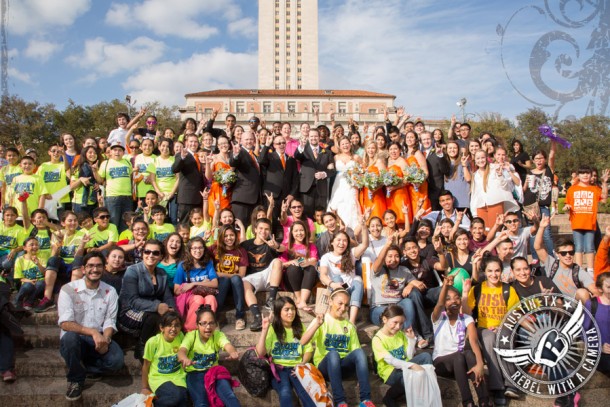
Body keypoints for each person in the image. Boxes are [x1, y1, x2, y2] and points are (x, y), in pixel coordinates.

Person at [57, 252, 124, 401]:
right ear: (83, 269)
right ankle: (75, 379)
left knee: (116, 362)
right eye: (90, 266)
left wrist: (105, 339)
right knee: (69, 339)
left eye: (99, 266)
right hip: (76, 338)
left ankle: (83, 365)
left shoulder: (110, 291)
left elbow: (110, 320)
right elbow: (65, 323)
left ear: (103, 268)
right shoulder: (68, 289)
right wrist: (93, 332)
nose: (95, 269)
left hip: (98, 338)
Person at [301, 289, 376, 407]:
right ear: (330, 302)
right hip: (326, 367)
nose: (343, 307)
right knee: (333, 354)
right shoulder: (321, 320)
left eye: (346, 305)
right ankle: (340, 401)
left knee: (360, 352)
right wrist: (316, 324)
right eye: (340, 303)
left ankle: (365, 400)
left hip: (343, 367)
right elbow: (303, 342)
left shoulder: (349, 326)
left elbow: (355, 352)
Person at [462, 256, 520, 406]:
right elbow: (467, 313)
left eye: (497, 271)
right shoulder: (477, 289)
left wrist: (502, 326)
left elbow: (516, 314)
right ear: (484, 272)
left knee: (503, 337)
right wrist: (465, 293)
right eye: (490, 271)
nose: (494, 274)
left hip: (504, 326)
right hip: (483, 328)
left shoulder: (508, 289)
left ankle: (511, 383)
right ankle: (498, 387)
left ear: (501, 271)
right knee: (489, 338)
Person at [432, 275, 489, 407]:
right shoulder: (438, 318)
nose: (454, 301)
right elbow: (439, 304)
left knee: (468, 354)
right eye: (449, 299)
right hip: (442, 363)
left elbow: (474, 341)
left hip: (461, 361)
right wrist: (445, 285)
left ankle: (484, 401)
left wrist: (480, 364)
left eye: (457, 298)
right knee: (459, 356)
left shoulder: (466, 318)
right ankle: (468, 402)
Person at [118, 240, 176, 361]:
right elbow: (132, 300)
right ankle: (142, 347)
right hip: (130, 310)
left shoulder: (161, 273)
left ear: (160, 256)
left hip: (150, 310)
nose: (151, 255)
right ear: (142, 253)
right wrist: (157, 306)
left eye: (155, 253)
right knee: (154, 317)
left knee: (171, 318)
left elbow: (168, 296)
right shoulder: (133, 271)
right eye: (147, 251)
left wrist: (172, 309)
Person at [255, 296, 315, 407]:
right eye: (286, 309)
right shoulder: (273, 329)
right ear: (278, 312)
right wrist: (264, 330)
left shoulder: (300, 327)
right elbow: (260, 353)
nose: (291, 312)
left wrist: (302, 363)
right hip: (279, 369)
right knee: (285, 392)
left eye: (293, 309)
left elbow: (308, 350)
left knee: (305, 393)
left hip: (296, 368)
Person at [371, 305, 435, 407]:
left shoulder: (400, 334)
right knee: (411, 375)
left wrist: (411, 339)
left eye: (401, 323)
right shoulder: (377, 339)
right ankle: (389, 396)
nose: (398, 327)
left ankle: (424, 395)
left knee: (426, 356)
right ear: (384, 319)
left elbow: (408, 356)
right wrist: (411, 366)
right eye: (395, 322)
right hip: (390, 372)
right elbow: (390, 360)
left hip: (404, 366)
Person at [178, 307, 241, 407]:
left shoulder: (218, 335)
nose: (208, 327)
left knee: (230, 396)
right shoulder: (191, 336)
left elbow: (227, 345)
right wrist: (184, 358)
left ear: (216, 324)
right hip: (194, 373)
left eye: (211, 323)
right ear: (197, 325)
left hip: (214, 372)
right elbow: (182, 351)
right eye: (203, 323)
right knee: (201, 402)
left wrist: (233, 352)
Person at [534, 215, 596, 303]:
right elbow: (538, 247)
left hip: (574, 307)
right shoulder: (551, 264)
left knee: (583, 292)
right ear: (557, 254)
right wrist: (541, 228)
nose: (568, 255)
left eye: (571, 252)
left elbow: (592, 286)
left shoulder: (577, 270)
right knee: (553, 299)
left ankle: (588, 316)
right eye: (564, 253)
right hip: (556, 304)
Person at [319, 221, 369, 325]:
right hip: (336, 287)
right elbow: (323, 275)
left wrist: (364, 226)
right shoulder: (326, 257)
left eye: (345, 241)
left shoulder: (351, 254)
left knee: (358, 279)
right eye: (339, 240)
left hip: (351, 288)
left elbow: (365, 244)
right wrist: (333, 284)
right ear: (332, 242)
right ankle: (336, 319)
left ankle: (351, 321)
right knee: (337, 278)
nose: (342, 243)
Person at [241, 218, 284, 331]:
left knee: (278, 261)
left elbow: (284, 249)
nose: (263, 231)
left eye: (266, 229)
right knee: (244, 283)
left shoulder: (271, 243)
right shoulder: (246, 245)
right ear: (255, 229)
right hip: (253, 277)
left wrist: (276, 246)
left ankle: (271, 299)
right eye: (260, 228)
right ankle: (257, 317)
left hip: (268, 275)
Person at [563, 165, 609, 270]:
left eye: (587, 173)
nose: (585, 175)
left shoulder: (594, 189)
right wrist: (567, 207)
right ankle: (579, 269)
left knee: (589, 247)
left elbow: (604, 199)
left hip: (590, 223)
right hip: (577, 223)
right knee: (578, 247)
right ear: (578, 175)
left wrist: (604, 183)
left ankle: (590, 269)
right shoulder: (572, 189)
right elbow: (566, 204)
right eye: (582, 173)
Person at [141, 311, 188, 407]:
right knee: (175, 396)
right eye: (169, 325)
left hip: (178, 377)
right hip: (159, 378)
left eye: (177, 325)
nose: (173, 329)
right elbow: (146, 366)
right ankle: (152, 404)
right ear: (162, 328)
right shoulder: (153, 342)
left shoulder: (181, 337)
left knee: (183, 401)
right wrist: (145, 387)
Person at [173, 237, 219, 331]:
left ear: (204, 249)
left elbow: (215, 283)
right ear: (189, 250)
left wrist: (194, 283)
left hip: (206, 294)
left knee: (211, 299)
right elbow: (176, 290)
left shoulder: (208, 263)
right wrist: (202, 283)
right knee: (198, 299)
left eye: (200, 248)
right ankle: (191, 330)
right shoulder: (182, 265)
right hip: (190, 296)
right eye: (194, 248)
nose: (197, 251)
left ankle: (209, 329)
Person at [369, 240, 416, 331]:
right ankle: (404, 334)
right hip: (379, 308)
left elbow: (415, 282)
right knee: (393, 314)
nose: (393, 259)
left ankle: (408, 331)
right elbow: (378, 260)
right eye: (389, 256)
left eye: (397, 256)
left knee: (408, 302)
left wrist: (410, 285)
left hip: (397, 305)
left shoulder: (404, 270)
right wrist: (387, 245)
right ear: (384, 258)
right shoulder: (378, 269)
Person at [209, 225, 248, 331]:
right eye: (226, 236)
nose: (229, 238)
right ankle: (214, 316)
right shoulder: (214, 249)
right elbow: (197, 253)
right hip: (221, 285)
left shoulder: (240, 251)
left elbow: (242, 274)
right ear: (221, 237)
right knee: (225, 280)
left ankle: (240, 317)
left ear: (236, 236)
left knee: (235, 278)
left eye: (231, 235)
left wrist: (220, 273)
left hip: (236, 284)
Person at [470, 150, 519, 230]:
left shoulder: (494, 168)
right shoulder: (475, 175)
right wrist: (474, 211)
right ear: (475, 160)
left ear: (486, 158)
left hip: (495, 203)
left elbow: (504, 185)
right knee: (484, 232)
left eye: (482, 158)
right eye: (478, 158)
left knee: (495, 230)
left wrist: (500, 175)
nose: (480, 160)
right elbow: (474, 194)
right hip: (481, 206)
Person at [294, 129, 336, 219]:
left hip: (321, 188)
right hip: (306, 188)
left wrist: (324, 174)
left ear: (319, 137)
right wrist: (301, 146)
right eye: (311, 136)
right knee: (306, 214)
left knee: (320, 215)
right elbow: (297, 155)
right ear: (308, 137)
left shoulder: (327, 152)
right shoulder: (303, 150)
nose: (314, 138)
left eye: (316, 136)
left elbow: (332, 170)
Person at [258, 134, 299, 224]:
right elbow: (260, 160)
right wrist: (266, 145)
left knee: (286, 222)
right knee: (271, 222)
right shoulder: (269, 156)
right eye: (278, 143)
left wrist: (292, 194)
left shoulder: (291, 159)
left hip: (286, 197)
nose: (281, 145)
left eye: (283, 143)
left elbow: (295, 179)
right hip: (272, 196)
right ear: (274, 145)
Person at [94, 142, 133, 232]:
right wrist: (95, 171)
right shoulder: (105, 163)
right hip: (112, 197)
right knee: (113, 222)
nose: (117, 152)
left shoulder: (127, 162)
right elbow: (100, 180)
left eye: (120, 150)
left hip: (127, 196)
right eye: (115, 150)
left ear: (123, 153)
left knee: (127, 222)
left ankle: (124, 242)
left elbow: (130, 177)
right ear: (110, 152)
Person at [279, 220, 318, 312]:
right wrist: (292, 261)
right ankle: (299, 298)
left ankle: (302, 301)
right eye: (296, 231)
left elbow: (314, 260)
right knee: (294, 267)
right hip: (291, 280)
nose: (299, 233)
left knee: (311, 268)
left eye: (301, 230)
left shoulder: (311, 246)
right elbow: (281, 264)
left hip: (306, 279)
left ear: (305, 231)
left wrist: (306, 261)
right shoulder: (286, 246)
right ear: (291, 233)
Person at [327, 136, 362, 230]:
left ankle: (352, 229)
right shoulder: (335, 157)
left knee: (351, 205)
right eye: (343, 144)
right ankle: (339, 227)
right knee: (337, 204)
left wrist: (357, 179)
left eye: (347, 143)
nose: (345, 145)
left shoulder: (356, 157)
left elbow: (363, 171)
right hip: (338, 184)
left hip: (352, 185)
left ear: (350, 144)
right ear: (339, 146)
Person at [230, 131, 262, 225]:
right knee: (240, 228)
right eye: (246, 139)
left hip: (255, 199)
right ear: (241, 141)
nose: (249, 141)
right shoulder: (239, 152)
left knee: (251, 229)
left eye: (251, 139)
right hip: (242, 199)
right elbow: (233, 162)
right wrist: (235, 155)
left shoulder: (254, 155)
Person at [172, 133, 205, 223]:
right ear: (186, 143)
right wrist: (182, 157)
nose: (193, 144)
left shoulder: (199, 156)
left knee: (196, 224)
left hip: (198, 197)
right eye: (191, 141)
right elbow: (175, 169)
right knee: (184, 224)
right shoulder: (182, 154)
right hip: (186, 197)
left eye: (195, 142)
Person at [148, 137, 179, 224]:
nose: (165, 148)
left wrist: (172, 193)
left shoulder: (175, 160)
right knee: (159, 218)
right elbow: (153, 180)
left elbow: (178, 178)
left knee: (173, 218)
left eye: (168, 146)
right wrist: (159, 193)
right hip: (159, 195)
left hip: (173, 195)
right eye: (163, 146)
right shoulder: (154, 161)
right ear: (159, 147)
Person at [584, 272, 610, 373]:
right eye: (608, 287)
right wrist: (600, 346)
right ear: (600, 289)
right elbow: (584, 331)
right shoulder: (592, 305)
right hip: (601, 353)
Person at [12, 237, 45, 310]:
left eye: (36, 245)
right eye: (32, 245)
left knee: (40, 284)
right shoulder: (19, 260)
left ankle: (29, 302)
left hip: (40, 283)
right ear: (24, 248)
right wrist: (30, 281)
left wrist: (38, 264)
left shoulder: (42, 256)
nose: (35, 247)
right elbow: (20, 278)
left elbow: (45, 273)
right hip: (27, 283)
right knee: (28, 286)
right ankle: (17, 301)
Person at [420, 130, 450, 210]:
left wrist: (440, 155)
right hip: (422, 191)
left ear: (432, 139)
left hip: (436, 191)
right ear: (421, 141)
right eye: (424, 139)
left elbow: (445, 170)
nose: (426, 141)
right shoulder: (419, 154)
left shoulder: (438, 152)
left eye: (428, 139)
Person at [205, 135, 232, 220]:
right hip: (217, 190)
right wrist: (208, 164)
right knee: (216, 214)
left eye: (225, 143)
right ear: (218, 146)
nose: (223, 145)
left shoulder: (232, 158)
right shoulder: (214, 157)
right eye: (221, 143)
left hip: (229, 190)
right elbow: (208, 176)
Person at [360, 140, 387, 220]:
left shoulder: (379, 162)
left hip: (376, 194)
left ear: (376, 150)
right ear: (366, 149)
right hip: (365, 193)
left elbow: (384, 179)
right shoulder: (364, 163)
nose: (370, 150)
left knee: (377, 216)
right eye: (369, 148)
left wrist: (374, 189)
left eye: (373, 148)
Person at [385, 142, 410, 226]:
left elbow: (408, 178)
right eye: (391, 149)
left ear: (400, 150)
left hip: (400, 193)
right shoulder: (388, 161)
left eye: (395, 149)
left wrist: (395, 186)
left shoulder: (402, 161)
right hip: (390, 194)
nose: (393, 151)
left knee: (400, 216)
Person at [444, 141, 471, 209]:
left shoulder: (463, 161)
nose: (452, 150)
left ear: (458, 150)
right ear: (446, 150)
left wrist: (464, 165)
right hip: (448, 203)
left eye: (454, 148)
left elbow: (468, 179)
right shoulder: (444, 163)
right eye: (450, 148)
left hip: (462, 202)